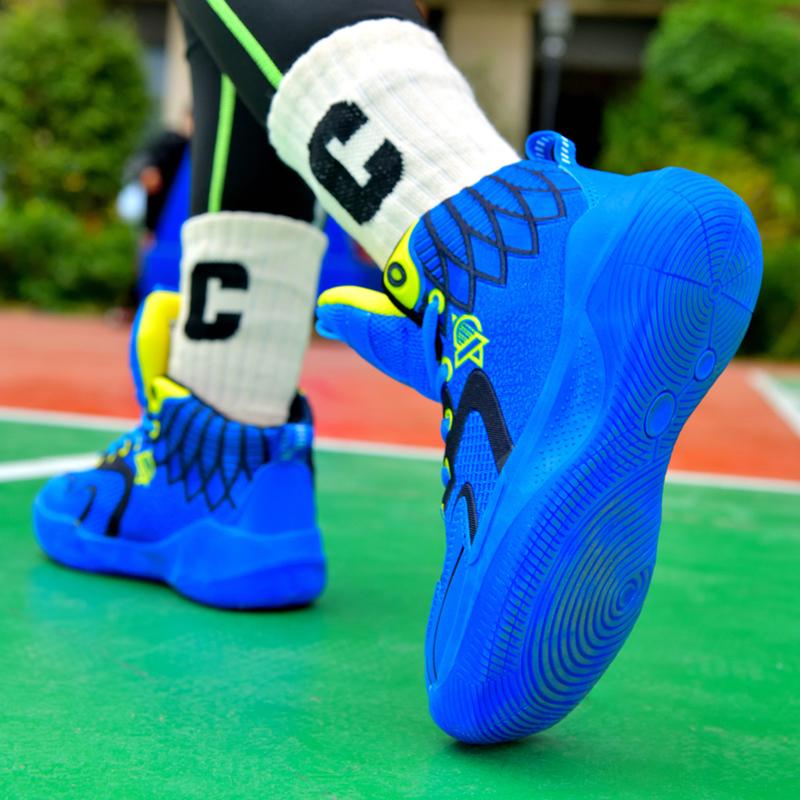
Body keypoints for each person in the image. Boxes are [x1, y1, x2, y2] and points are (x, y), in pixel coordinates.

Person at [32, 1, 763, 744]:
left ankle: (508, 249)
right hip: (226, 449)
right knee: (218, 27)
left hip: (499, 253)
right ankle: (222, 448)